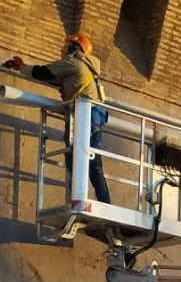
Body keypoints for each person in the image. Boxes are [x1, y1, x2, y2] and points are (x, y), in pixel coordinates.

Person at [3, 32, 111, 204]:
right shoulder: (84, 67)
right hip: (91, 117)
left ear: (74, 48)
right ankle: (91, 201)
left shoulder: (73, 62)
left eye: (65, 46)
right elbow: (56, 79)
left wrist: (21, 66)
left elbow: (43, 72)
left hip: (85, 117)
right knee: (86, 161)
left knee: (82, 160)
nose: (62, 49)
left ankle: (82, 200)